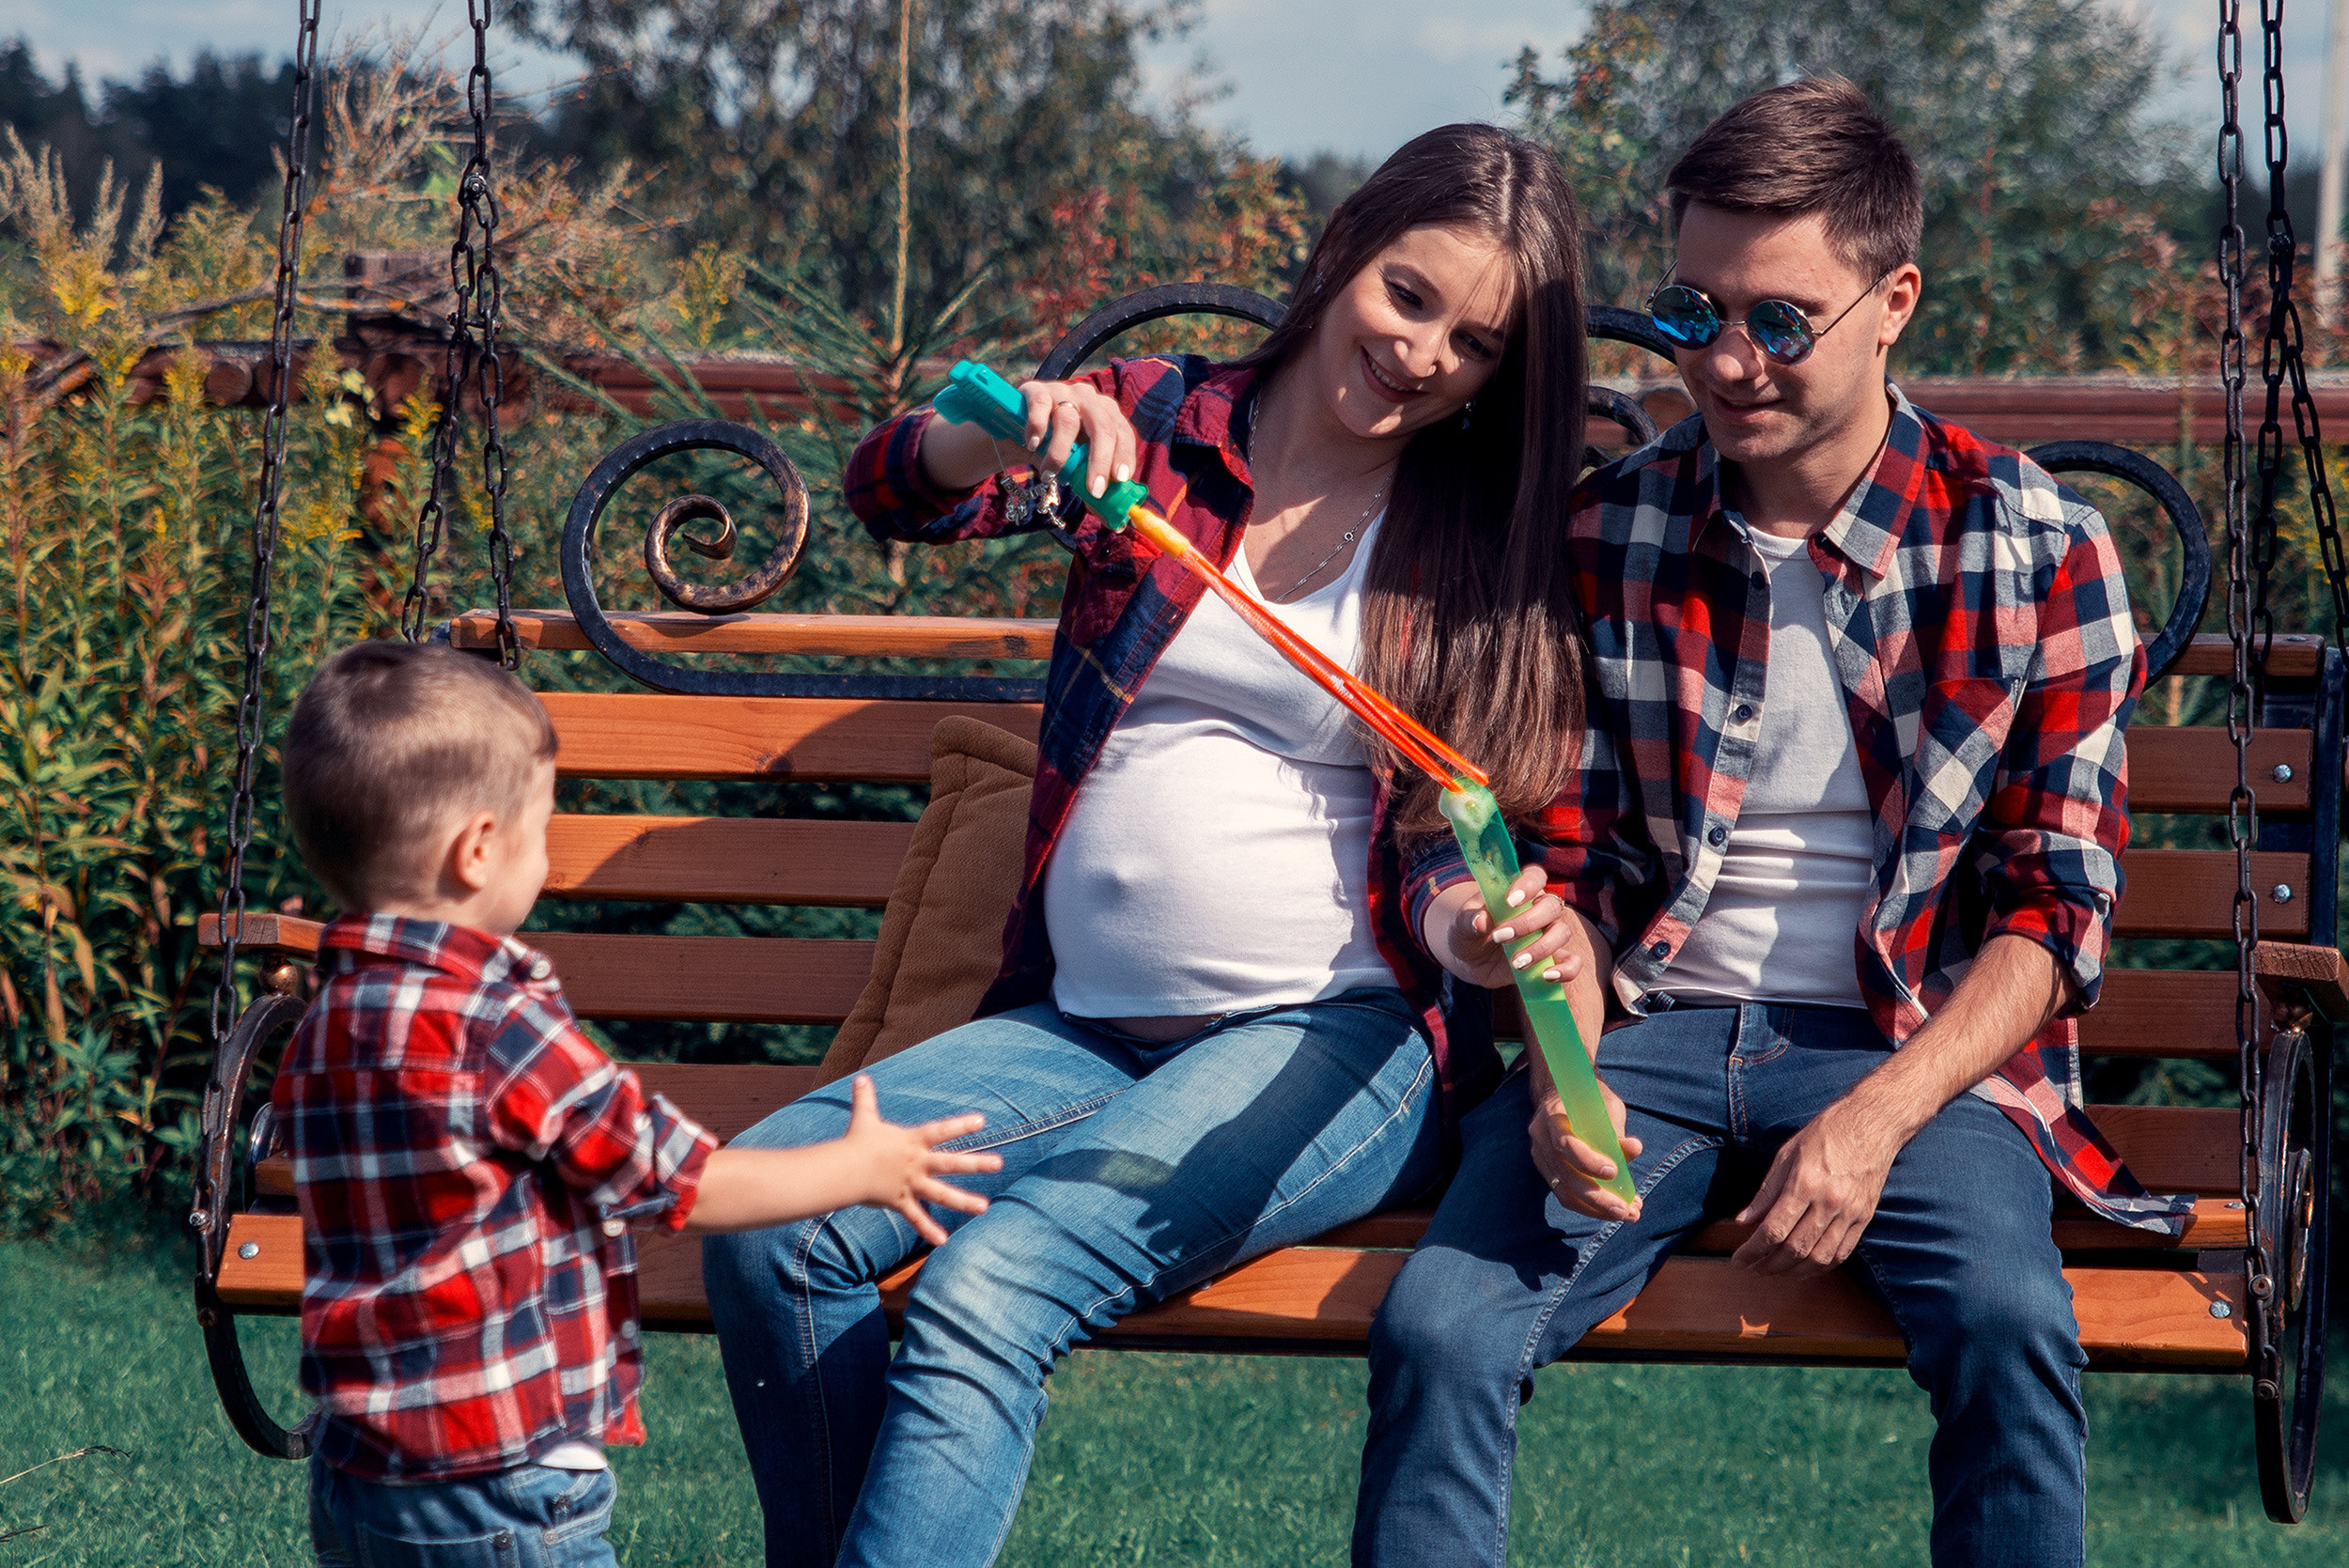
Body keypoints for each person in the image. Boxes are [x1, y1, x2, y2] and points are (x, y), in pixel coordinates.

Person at [702, 122, 1592, 1568]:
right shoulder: (1160, 426)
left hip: (1338, 1039)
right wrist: (1000, 422)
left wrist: (1467, 936)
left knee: (994, 1283)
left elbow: (1446, 838)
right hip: (1083, 1031)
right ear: (1345, 250)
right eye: (1409, 296)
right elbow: (894, 491)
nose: (1426, 355)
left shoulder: (1470, 537)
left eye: (1478, 343)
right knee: (773, 1221)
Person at [1352, 79, 2190, 1568]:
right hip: (1650, 1033)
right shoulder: (1613, 532)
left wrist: (1873, 1120)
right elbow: (1570, 865)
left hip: (1907, 1046)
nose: (1728, 364)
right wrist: (1560, 1074)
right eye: (1693, 312)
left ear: (1895, 301)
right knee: (1440, 1328)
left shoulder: (2037, 547)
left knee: (2008, 1325)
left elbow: (2053, 914)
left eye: (1781, 321)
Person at [271, 641, 1001, 1568]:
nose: (546, 850)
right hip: (499, 1478)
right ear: (479, 849)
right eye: (542, 827)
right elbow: (680, 1182)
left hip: (360, 1469)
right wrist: (856, 1169)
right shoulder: (499, 1027)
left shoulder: (329, 1013)